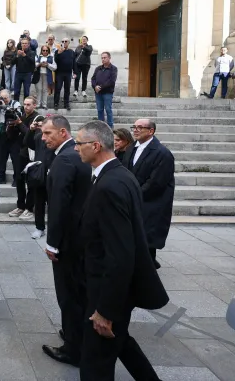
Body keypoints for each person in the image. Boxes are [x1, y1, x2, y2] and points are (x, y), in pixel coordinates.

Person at [73, 121, 169, 381]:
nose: (76, 148)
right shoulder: (119, 174)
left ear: (95, 146)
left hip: (108, 291)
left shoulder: (110, 185)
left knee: (95, 363)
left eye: (79, 143)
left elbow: (119, 254)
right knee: (119, 341)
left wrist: (105, 310)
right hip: (111, 288)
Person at [40, 116, 91, 368]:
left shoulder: (65, 159)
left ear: (63, 132)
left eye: (48, 133)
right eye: (42, 133)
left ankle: (73, 349)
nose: (43, 138)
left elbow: (58, 204)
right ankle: (76, 334)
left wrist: (52, 243)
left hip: (68, 241)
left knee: (68, 294)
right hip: (83, 236)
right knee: (79, 292)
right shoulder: (77, 154)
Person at [123, 119, 175, 269]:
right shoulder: (131, 148)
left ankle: (148, 268)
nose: (135, 130)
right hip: (133, 199)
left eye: (140, 127)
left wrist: (133, 195)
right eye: (134, 127)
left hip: (151, 202)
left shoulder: (162, 153)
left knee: (147, 238)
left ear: (151, 131)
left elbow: (156, 183)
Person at [0, 90, 22, 185]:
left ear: (10, 97)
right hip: (2, 134)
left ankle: (17, 179)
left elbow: (18, 115)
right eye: (2, 98)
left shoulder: (15, 104)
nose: (4, 100)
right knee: (1, 157)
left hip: (14, 133)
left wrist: (5, 107)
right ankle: (1, 177)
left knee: (15, 158)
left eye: (6, 98)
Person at [90, 52, 118, 128]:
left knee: (108, 109)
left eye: (105, 57)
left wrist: (100, 87)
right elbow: (93, 79)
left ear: (109, 58)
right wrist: (95, 86)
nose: (103, 59)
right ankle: (101, 127)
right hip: (98, 93)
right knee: (99, 110)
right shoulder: (98, 68)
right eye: (102, 58)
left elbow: (111, 81)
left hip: (107, 93)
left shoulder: (113, 69)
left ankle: (110, 127)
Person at [12, 37, 36, 102]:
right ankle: (16, 105)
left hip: (27, 74)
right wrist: (17, 56)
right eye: (23, 43)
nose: (24, 45)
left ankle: (26, 105)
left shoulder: (32, 52)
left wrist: (25, 55)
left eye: (26, 43)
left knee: (26, 92)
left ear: (28, 44)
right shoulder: (17, 52)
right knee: (16, 92)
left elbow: (32, 62)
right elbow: (12, 62)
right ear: (21, 44)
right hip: (18, 73)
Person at [54, 38, 74, 111]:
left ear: (68, 43)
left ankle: (66, 104)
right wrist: (59, 53)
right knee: (58, 88)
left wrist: (75, 72)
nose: (64, 42)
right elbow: (55, 60)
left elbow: (74, 62)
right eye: (63, 41)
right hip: (59, 73)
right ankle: (56, 103)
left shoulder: (71, 52)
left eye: (66, 41)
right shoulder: (57, 51)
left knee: (67, 89)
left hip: (68, 73)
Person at [34, 44, 57, 109]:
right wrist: (40, 64)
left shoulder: (51, 57)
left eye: (46, 50)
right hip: (39, 75)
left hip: (47, 75)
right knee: (39, 89)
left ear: (48, 51)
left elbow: (55, 67)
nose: (45, 52)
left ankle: (44, 104)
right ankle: (38, 104)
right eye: (43, 50)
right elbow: (34, 65)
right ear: (41, 51)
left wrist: (47, 65)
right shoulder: (38, 57)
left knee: (45, 90)